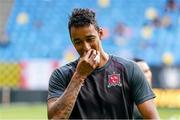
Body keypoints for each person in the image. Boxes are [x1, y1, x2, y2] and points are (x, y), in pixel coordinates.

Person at [47, 8, 159, 119]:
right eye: (78, 42)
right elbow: (55, 118)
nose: (86, 47)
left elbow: (152, 118)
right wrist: (79, 76)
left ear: (100, 34)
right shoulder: (61, 75)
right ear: (72, 41)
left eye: (90, 39)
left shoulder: (129, 69)